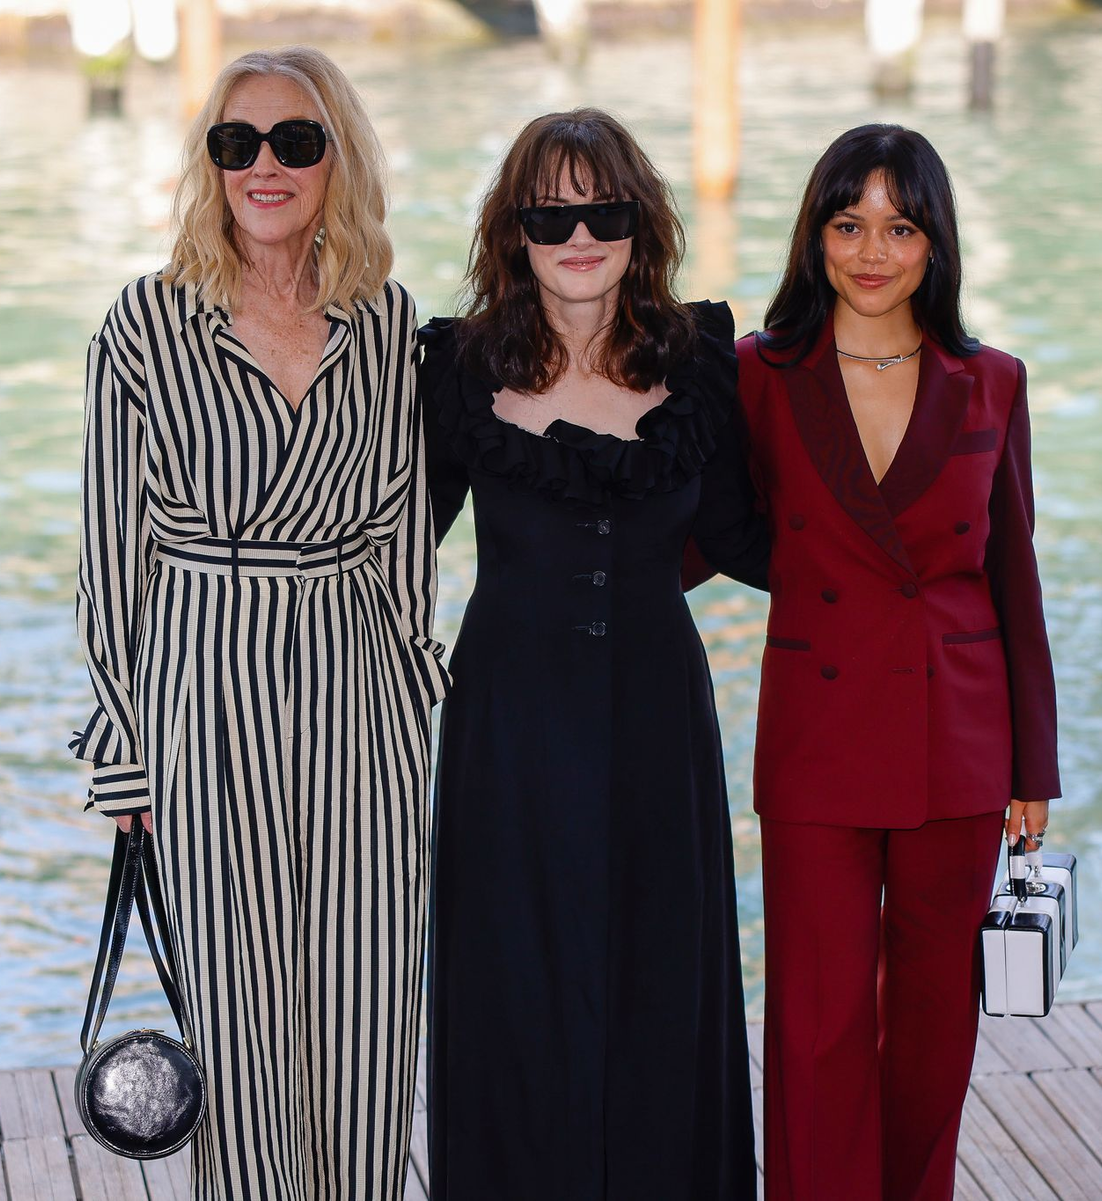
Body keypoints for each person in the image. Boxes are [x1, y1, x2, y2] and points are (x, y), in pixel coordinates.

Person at [70, 46, 447, 1200]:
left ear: (339, 158)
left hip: (361, 699)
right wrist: (124, 746)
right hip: (203, 697)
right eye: (238, 144)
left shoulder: (387, 323)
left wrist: (419, 702)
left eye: (296, 141)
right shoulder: (145, 325)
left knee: (370, 1016)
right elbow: (108, 556)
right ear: (211, 164)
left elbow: (403, 535)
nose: (265, 167)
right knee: (238, 1040)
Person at [697, 124, 1060, 1201]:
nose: (871, 250)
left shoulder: (990, 380)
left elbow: (1015, 577)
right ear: (814, 235)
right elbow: (714, 526)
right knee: (817, 1025)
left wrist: (1032, 766)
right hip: (818, 736)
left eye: (900, 227)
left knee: (934, 1023)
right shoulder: (758, 373)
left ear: (935, 244)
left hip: (961, 742)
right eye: (847, 223)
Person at [418, 108, 767, 1200]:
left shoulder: (703, 355)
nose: (580, 233)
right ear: (513, 231)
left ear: (639, 221)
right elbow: (383, 553)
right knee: (515, 984)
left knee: (663, 980)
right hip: (508, 729)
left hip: (661, 719)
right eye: (552, 212)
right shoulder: (454, 366)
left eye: (602, 208)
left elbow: (760, 539)